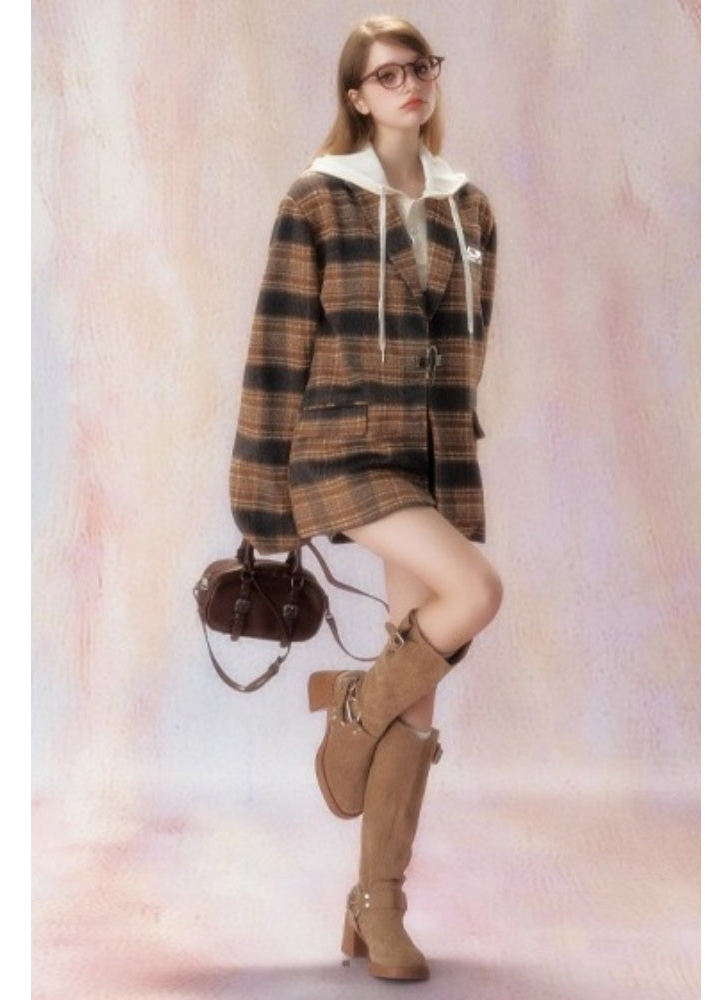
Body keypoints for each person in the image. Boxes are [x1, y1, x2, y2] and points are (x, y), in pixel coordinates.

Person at [229, 15, 503, 982]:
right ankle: (352, 707)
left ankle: (375, 906)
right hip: (341, 446)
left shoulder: (469, 207)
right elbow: (276, 347)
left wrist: (454, 453)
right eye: (387, 74)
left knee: (418, 694)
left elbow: (467, 351)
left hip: (432, 455)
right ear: (356, 96)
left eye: (419, 67)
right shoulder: (316, 200)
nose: (409, 84)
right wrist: (262, 500)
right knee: (476, 592)